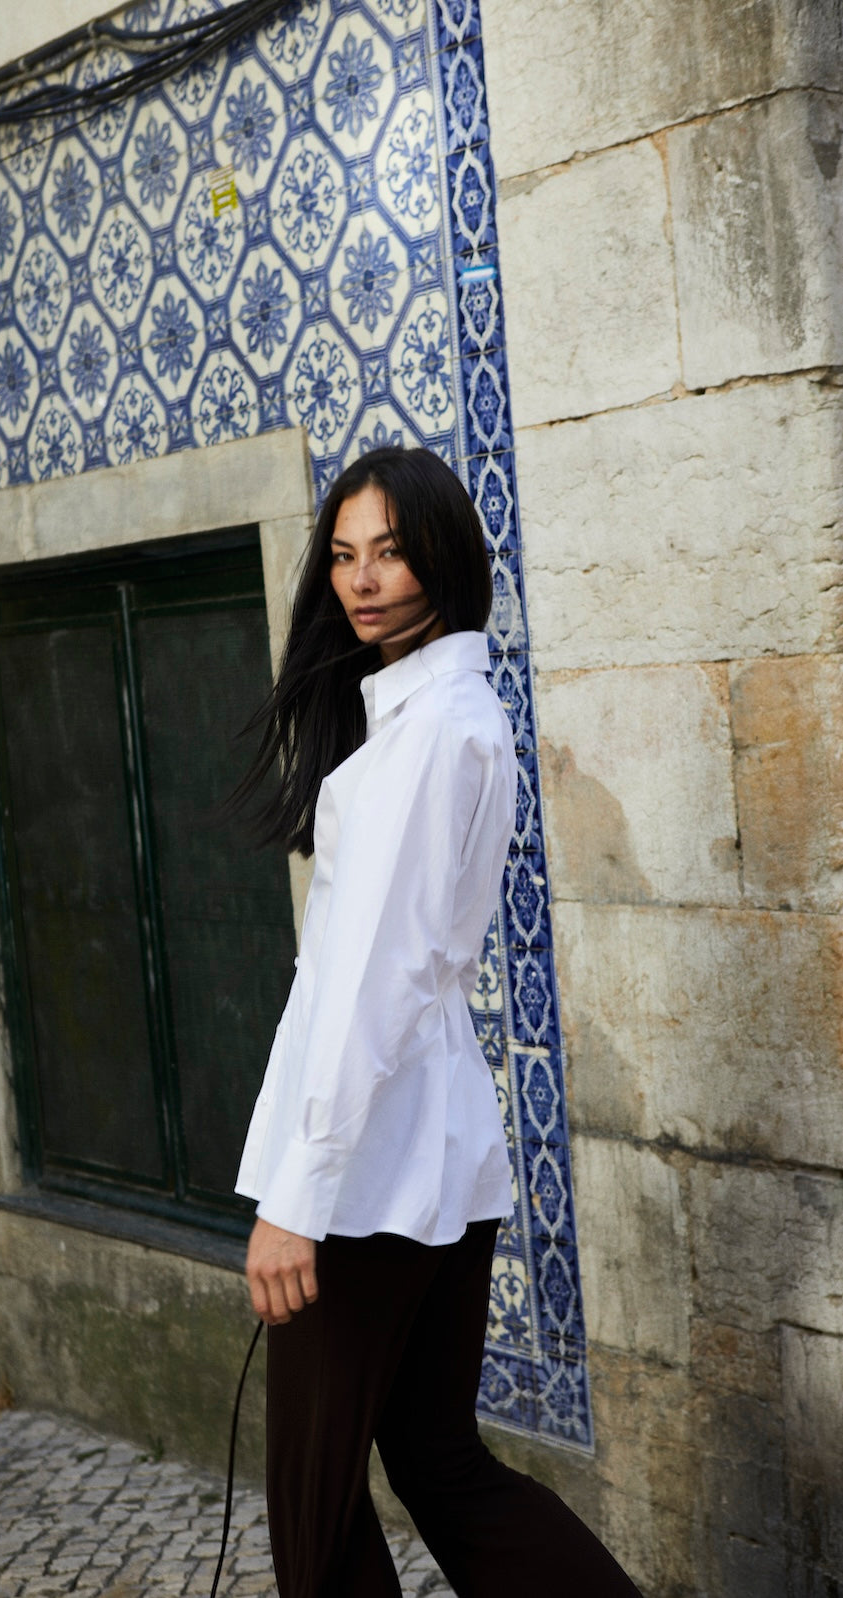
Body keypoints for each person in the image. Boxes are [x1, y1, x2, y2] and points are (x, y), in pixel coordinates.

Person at [233, 446, 642, 1598]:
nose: (362, 580)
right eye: (345, 555)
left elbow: (369, 981)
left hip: (368, 1177)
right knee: (440, 1462)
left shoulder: (429, 734)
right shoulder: (437, 715)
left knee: (313, 1513)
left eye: (392, 552)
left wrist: (297, 1201)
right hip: (433, 1158)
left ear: (444, 557)